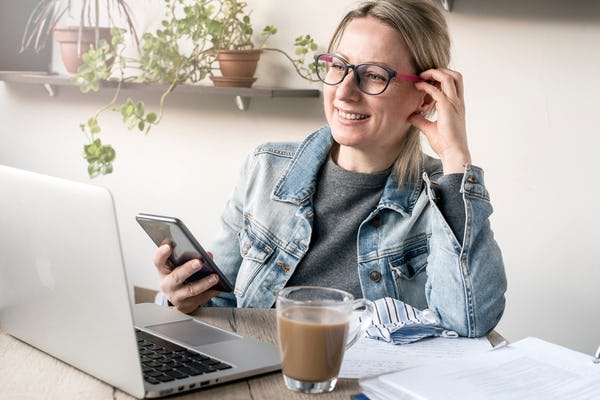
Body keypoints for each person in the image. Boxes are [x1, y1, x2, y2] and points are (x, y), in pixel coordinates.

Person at [153, 0, 507, 338]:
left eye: (373, 75)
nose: (345, 91)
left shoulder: (439, 198)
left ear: (425, 96)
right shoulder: (265, 168)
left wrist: (456, 158)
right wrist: (180, 299)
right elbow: (222, 303)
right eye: (338, 67)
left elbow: (468, 321)